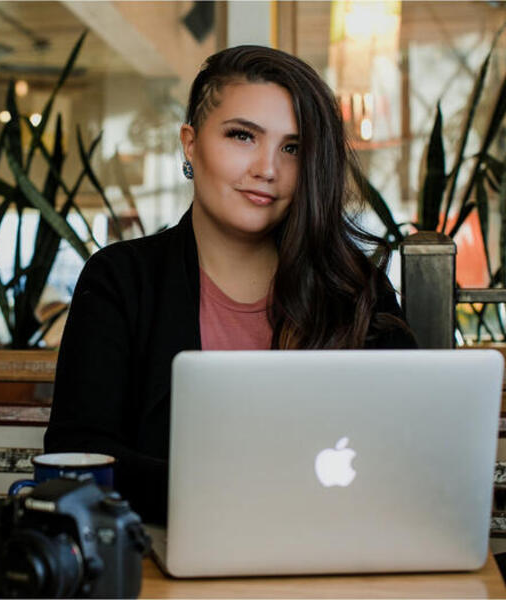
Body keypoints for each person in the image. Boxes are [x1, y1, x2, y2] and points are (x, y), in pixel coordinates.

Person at [44, 45, 417, 525]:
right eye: (243, 136)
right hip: (169, 562)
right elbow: (79, 454)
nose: (267, 168)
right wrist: (244, 492)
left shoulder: (352, 286)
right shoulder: (121, 278)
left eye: (292, 148)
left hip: (335, 552)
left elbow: (406, 444)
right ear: (191, 144)